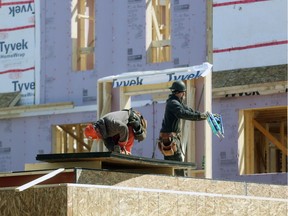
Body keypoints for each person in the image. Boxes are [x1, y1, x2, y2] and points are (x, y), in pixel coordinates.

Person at [158, 80, 208, 173]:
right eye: (183, 92)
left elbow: (188, 110)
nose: (184, 95)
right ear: (179, 93)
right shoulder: (173, 103)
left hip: (170, 139)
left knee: (173, 166)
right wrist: (199, 116)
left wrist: (201, 115)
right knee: (178, 166)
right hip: (169, 139)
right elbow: (182, 113)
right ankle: (179, 185)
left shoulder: (176, 102)